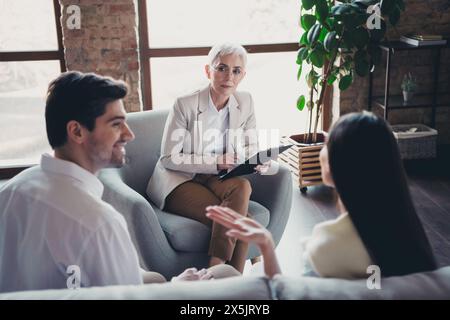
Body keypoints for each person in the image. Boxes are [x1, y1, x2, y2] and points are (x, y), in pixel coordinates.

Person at [0, 71, 238, 293]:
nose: (129, 134)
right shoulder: (99, 222)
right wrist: (177, 287)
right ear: (77, 132)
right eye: (116, 124)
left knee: (152, 277)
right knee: (225, 273)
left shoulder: (11, 190)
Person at [206, 112, 437, 279]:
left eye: (328, 143)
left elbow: (292, 295)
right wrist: (266, 244)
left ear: (339, 165)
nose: (321, 149)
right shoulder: (410, 236)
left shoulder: (327, 243)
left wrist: (265, 252)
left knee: (224, 274)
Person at [147, 43, 274, 273]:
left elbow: (250, 143)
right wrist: (216, 162)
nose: (229, 77)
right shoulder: (185, 104)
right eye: (222, 68)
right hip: (179, 179)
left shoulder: (245, 102)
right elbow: (168, 157)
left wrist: (257, 160)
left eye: (236, 71)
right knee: (240, 219)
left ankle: (220, 278)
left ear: (243, 75)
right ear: (208, 71)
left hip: (218, 176)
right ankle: (224, 274)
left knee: (242, 187)